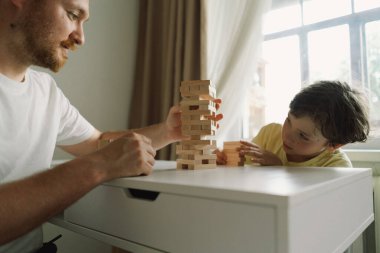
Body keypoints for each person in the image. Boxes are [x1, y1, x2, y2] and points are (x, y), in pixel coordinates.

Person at [0, 0, 222, 252]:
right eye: (72, 14)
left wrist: (168, 131)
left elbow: (97, 143)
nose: (81, 38)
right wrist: (97, 167)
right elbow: (100, 156)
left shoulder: (45, 91)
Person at [216, 80, 370, 167]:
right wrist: (221, 159)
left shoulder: (337, 166)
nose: (287, 136)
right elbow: (239, 170)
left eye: (303, 135)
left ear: (333, 145)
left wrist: (279, 169)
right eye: (288, 121)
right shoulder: (270, 134)